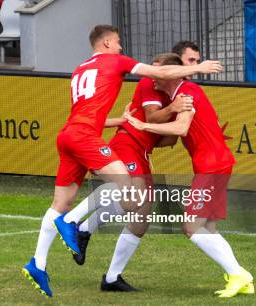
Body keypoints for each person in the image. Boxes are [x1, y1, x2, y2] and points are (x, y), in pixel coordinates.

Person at [21, 25, 223, 298]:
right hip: (99, 140)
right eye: (117, 43)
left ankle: (39, 263)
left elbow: (89, 114)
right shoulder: (130, 70)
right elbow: (155, 101)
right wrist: (200, 69)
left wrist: (125, 120)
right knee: (127, 187)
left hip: (72, 134)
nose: (121, 48)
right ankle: (77, 226)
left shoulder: (81, 68)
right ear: (106, 43)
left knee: (78, 205)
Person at [70, 42, 202, 292]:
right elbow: (152, 118)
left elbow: (169, 138)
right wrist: (171, 112)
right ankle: (80, 226)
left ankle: (111, 278)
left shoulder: (182, 92)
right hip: (127, 143)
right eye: (192, 60)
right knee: (134, 197)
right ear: (177, 64)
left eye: (197, 60)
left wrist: (167, 127)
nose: (195, 65)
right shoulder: (150, 84)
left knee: (140, 219)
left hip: (141, 150)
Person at [125, 53, 254, 298]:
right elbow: (174, 135)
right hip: (215, 165)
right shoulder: (180, 95)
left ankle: (238, 274)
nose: (153, 77)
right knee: (209, 228)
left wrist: (143, 126)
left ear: (171, 73)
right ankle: (240, 279)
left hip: (212, 167)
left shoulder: (186, 92)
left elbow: (180, 128)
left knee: (191, 227)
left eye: (157, 72)